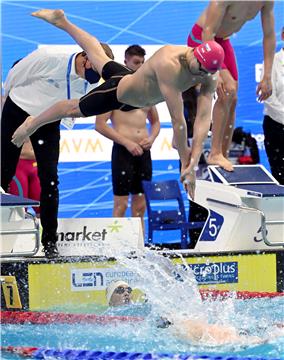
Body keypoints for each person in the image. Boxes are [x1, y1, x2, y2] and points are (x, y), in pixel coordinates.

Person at [11, 9, 225, 201]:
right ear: (195, 53)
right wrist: (186, 163)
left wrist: (193, 162)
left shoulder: (209, 74)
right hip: (121, 93)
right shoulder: (170, 63)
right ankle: (32, 123)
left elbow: (204, 118)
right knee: (73, 108)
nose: (201, 75)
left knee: (98, 54)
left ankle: (62, 21)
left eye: (207, 72)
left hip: (134, 83)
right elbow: (178, 121)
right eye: (200, 68)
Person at [1, 44, 114, 258]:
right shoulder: (50, 57)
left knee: (50, 180)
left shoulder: (90, 81)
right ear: (86, 57)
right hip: (18, 108)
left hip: (47, 119)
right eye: (97, 67)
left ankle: (50, 243)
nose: (98, 74)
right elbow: (15, 74)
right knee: (3, 175)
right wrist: (12, 100)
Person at [187, 0, 276, 171]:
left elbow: (269, 36)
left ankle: (223, 153)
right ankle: (214, 153)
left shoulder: (267, 1)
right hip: (201, 38)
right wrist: (216, 70)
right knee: (228, 90)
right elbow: (208, 32)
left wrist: (267, 75)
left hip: (222, 41)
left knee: (233, 99)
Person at [95, 45, 160, 234]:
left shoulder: (147, 92)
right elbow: (100, 124)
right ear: (125, 62)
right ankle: (116, 246)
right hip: (123, 153)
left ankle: (138, 245)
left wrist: (152, 138)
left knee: (140, 206)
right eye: (136, 62)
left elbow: (155, 123)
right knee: (121, 205)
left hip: (143, 153)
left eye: (142, 62)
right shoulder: (116, 90)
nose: (140, 66)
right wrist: (127, 142)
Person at [262, 26, 284, 184]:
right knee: (281, 176)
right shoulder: (273, 62)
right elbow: (269, 97)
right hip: (276, 126)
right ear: (283, 36)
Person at [9, 139, 41, 216]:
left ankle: (44, 227)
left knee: (42, 207)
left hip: (37, 164)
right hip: (18, 166)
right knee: (20, 208)